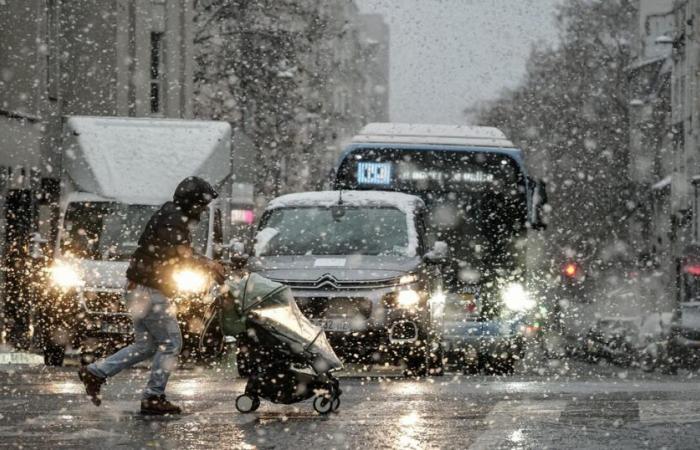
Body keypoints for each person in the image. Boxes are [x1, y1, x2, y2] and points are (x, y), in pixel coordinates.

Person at [78, 176, 226, 415]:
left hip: (139, 288)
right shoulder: (174, 218)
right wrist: (209, 264)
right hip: (150, 291)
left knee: (146, 345)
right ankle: (153, 397)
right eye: (201, 204)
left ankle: (96, 372)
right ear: (191, 202)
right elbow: (182, 253)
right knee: (171, 344)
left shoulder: (173, 214)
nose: (203, 209)